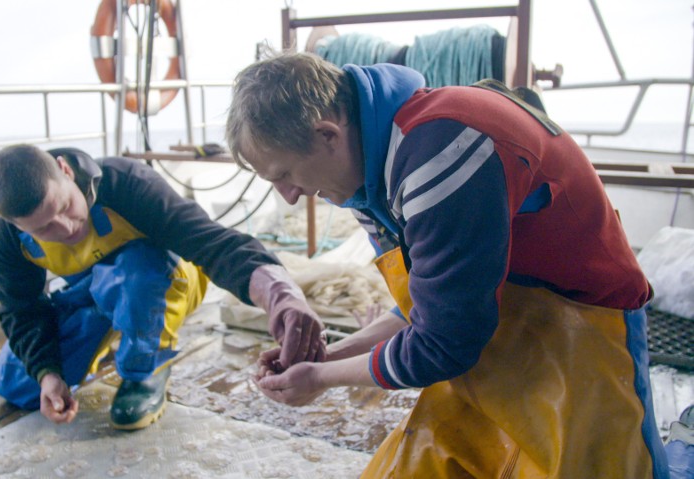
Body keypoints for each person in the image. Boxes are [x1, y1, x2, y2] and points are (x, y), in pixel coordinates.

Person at [226, 52, 669, 478]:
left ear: (327, 135)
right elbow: (427, 307)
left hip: (581, 336)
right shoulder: (365, 174)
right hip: (499, 332)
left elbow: (443, 345)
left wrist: (320, 378)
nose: (288, 195)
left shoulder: (439, 149)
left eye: (283, 174)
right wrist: (330, 354)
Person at [0, 144, 325, 429]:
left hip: (157, 280)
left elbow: (212, 244)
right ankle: (103, 342)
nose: (66, 227)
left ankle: (145, 366)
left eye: (65, 207)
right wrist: (47, 373)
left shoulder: (126, 182)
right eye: (44, 229)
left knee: (136, 272)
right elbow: (21, 308)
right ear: (13, 223)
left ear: (65, 170)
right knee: (15, 386)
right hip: (90, 293)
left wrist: (282, 297)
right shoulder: (4, 236)